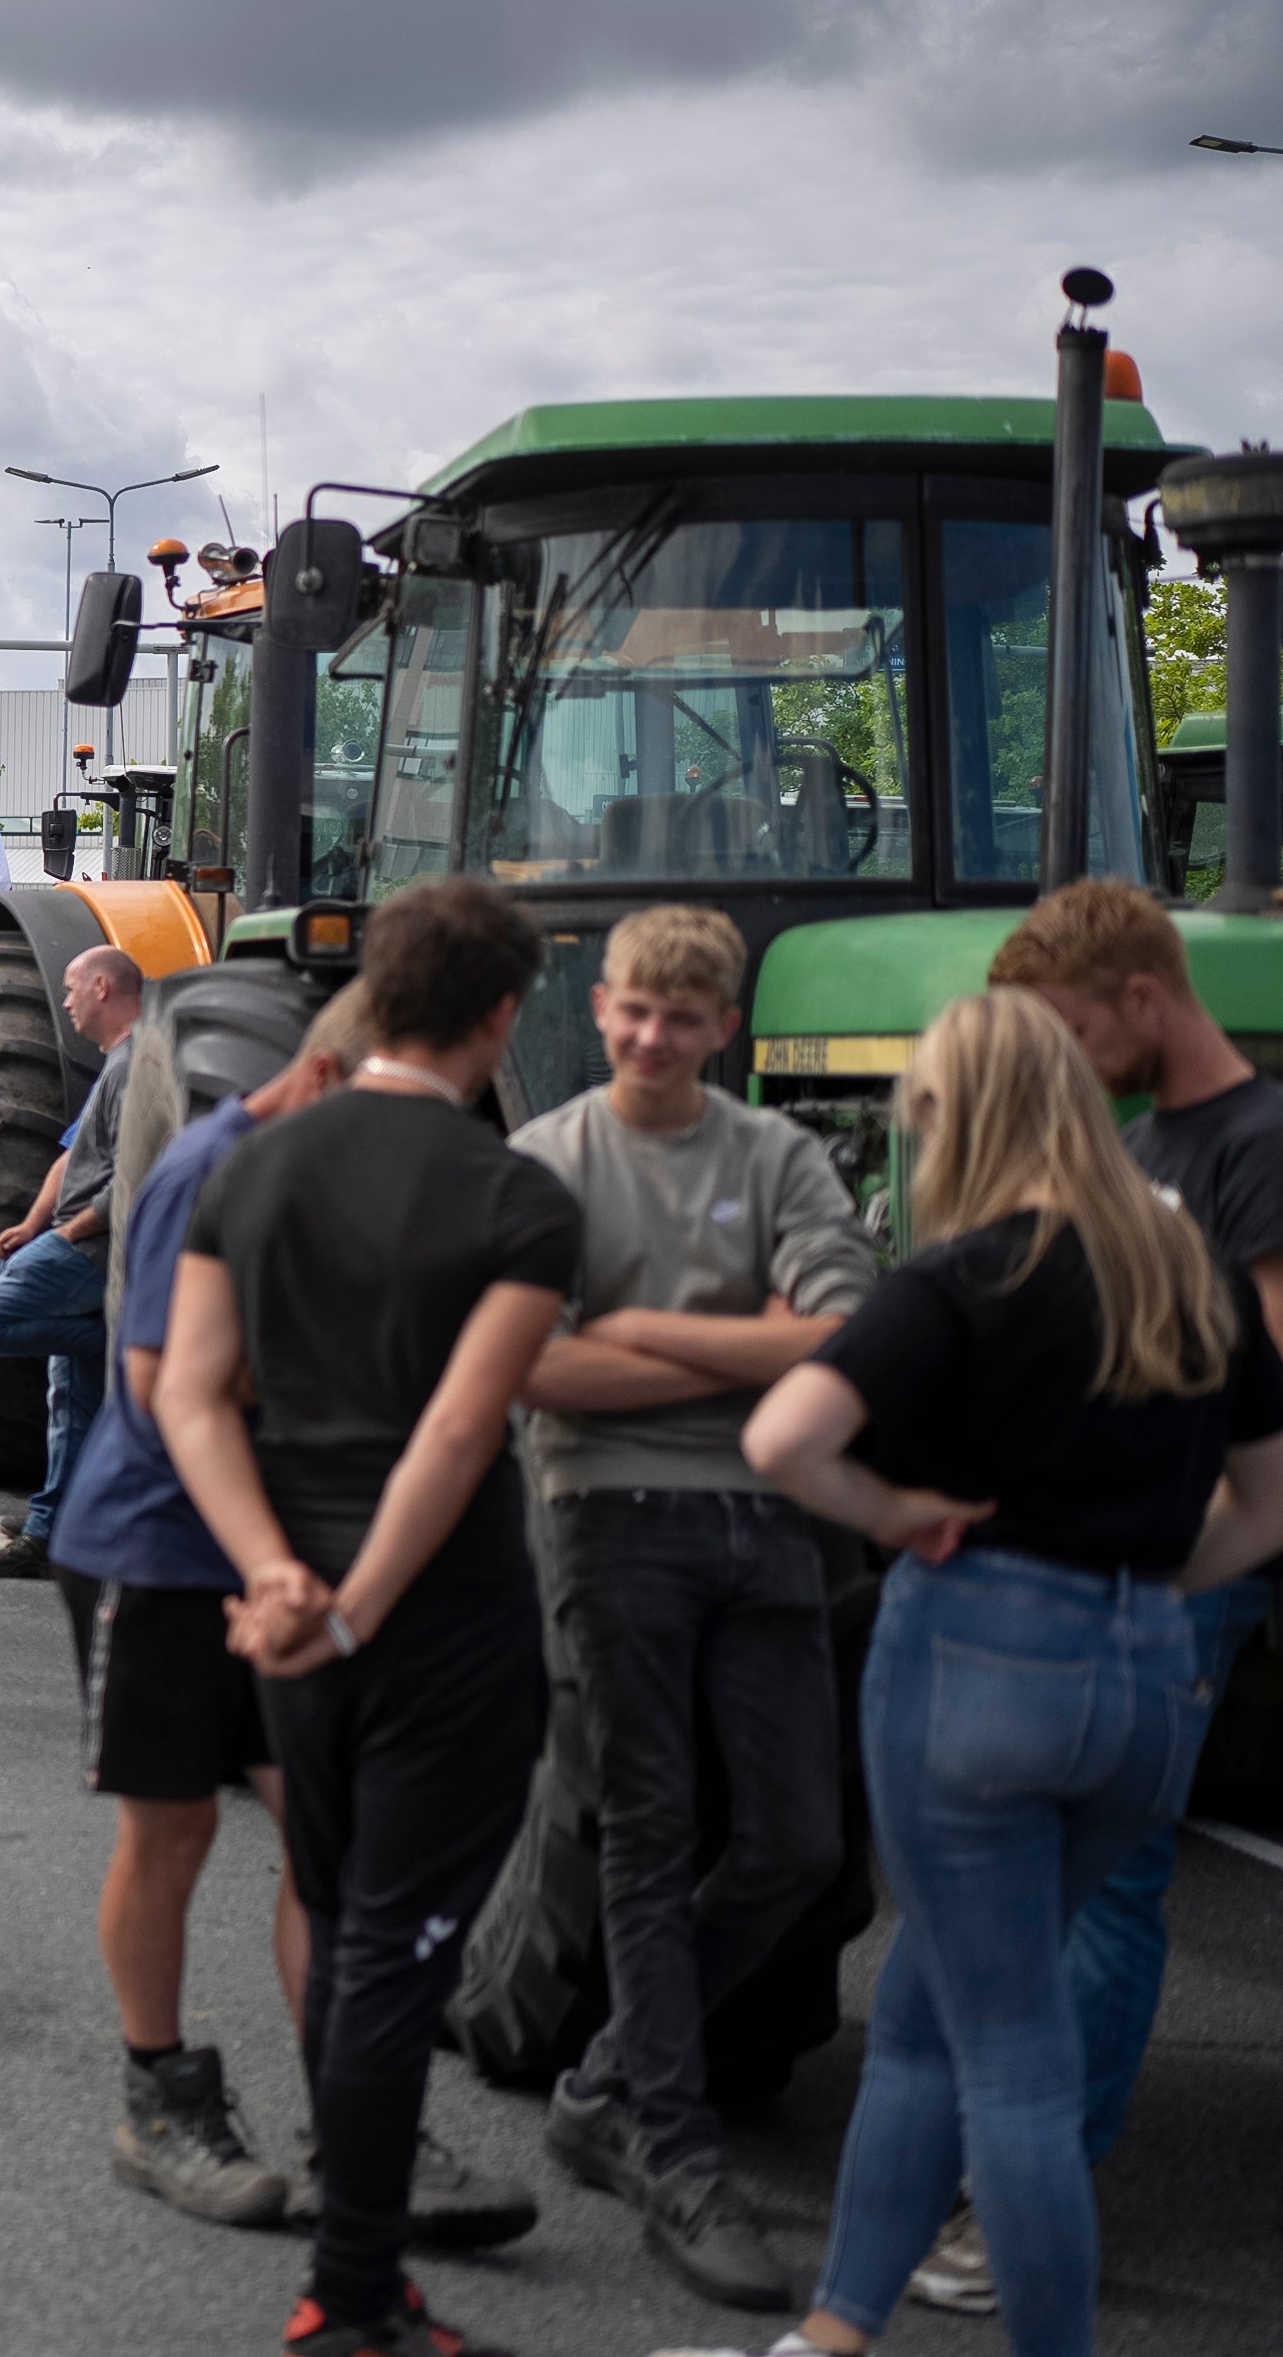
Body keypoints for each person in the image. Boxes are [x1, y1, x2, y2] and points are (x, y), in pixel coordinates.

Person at [664, 988, 1283, 2357]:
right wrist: (1139, 1588)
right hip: (1138, 1678)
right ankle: (835, 2333)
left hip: (974, 1664)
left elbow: (787, 1437)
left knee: (1004, 2049)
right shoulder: (1197, 1279)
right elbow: (1266, 1506)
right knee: (932, 2012)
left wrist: (897, 1517)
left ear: (954, 1119)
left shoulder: (969, 1275)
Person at [154, 879, 576, 2357]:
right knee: (395, 1952)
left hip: (286, 1617)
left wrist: (273, 1573)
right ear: (503, 1012)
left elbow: (189, 1395)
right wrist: (354, 1609)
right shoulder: (518, 1193)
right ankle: (349, 2293)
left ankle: (368, 2281)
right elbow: (464, 1435)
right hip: (440, 1620)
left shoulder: (252, 1167)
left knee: (348, 1928)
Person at [889, 880, 1283, 2320]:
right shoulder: (1158, 1145)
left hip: (1173, 1573)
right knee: (1046, 1879)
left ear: (1143, 996)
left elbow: (1249, 1390)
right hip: (1101, 1562)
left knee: (1112, 1883)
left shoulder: (1257, 1144)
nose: (1061, 1063)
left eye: (1067, 1029)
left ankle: (1027, 2190)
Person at [503, 906, 874, 2315]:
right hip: (615, 1523)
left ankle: (604, 2080)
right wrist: (749, 1350)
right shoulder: (549, 1160)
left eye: (684, 1016)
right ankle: (670, 2139)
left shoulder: (774, 1151)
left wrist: (640, 1333)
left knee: (795, 1842)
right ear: (600, 1010)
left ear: (725, 1028)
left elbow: (839, 1327)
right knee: (650, 1836)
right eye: (634, 1011)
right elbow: (539, 1372)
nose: (655, 1035)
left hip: (773, 1518)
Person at [51, 991, 353, 2234]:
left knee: (329, 1836)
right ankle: (160, 2095)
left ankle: (357, 2116)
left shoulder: (345, 1171)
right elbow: (158, 1380)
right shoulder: (204, 1173)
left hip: (279, 1545)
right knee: (172, 1834)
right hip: (160, 1546)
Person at [0, 942, 150, 1578]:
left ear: (102, 987)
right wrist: (34, 1221)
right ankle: (54, 1526)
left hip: (87, 1246)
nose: (64, 1002)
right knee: (70, 1399)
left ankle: (99, 1333)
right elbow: (74, 1156)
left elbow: (131, 1173)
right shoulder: (118, 1064)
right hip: (71, 1235)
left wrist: (69, 1235)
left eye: (71, 989)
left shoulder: (136, 1067)